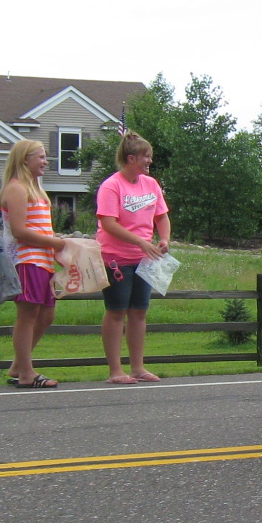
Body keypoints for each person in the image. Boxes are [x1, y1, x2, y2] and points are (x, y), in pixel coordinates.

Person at [95, 132, 171, 384]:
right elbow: (107, 223)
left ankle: (138, 367)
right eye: (145, 157)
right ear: (130, 158)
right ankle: (115, 370)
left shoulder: (151, 184)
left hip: (145, 259)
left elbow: (161, 215)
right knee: (116, 311)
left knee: (139, 311)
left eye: (149, 157)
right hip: (116, 257)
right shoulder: (112, 186)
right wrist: (139, 241)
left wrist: (164, 239)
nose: (149, 161)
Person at [0, 139, 68, 388]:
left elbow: (39, 226)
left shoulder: (35, 189)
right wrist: (54, 242)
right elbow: (20, 231)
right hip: (28, 260)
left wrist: (54, 246)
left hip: (43, 260)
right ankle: (26, 373)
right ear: (24, 159)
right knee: (27, 315)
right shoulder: (17, 188)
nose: (45, 162)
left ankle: (19, 364)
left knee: (46, 314)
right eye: (40, 157)